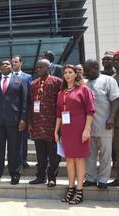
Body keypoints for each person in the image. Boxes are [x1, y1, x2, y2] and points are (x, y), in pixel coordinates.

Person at [54, 65, 95, 204]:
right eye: (65, 72)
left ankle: (80, 191)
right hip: (66, 129)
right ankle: (70, 188)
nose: (67, 75)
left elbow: (90, 111)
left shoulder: (84, 89)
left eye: (70, 72)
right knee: (69, 159)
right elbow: (59, 113)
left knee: (79, 159)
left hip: (80, 127)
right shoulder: (61, 92)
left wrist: (87, 129)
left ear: (76, 74)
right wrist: (56, 130)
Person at [0, 59, 27, 185]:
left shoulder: (20, 81)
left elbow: (24, 102)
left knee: (14, 150)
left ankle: (15, 175)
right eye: (2, 64)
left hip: (14, 122)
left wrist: (23, 119)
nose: (4, 65)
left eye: (7, 64)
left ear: (12, 66)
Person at [82, 59, 119, 190]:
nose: (85, 73)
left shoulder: (109, 81)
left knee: (105, 154)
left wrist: (111, 118)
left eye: (87, 70)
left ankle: (103, 180)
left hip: (105, 124)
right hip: (88, 127)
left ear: (96, 68)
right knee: (89, 154)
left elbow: (115, 100)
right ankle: (91, 178)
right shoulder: (85, 83)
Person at [28, 59, 62, 187]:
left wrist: (60, 126)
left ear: (48, 68)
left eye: (41, 67)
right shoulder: (33, 84)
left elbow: (61, 104)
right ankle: (40, 177)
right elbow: (31, 104)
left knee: (53, 155)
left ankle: (52, 177)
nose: (38, 69)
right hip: (37, 125)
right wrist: (30, 123)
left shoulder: (57, 82)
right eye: (37, 67)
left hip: (52, 125)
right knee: (40, 155)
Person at [12, 55, 32, 168]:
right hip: (10, 114)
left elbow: (29, 97)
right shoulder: (7, 77)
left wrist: (27, 116)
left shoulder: (27, 77)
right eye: (12, 62)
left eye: (16, 62)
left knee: (23, 139)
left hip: (23, 113)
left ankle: (23, 159)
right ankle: (13, 159)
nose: (14, 64)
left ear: (21, 63)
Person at [109, 51, 119, 186]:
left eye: (118, 60)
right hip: (116, 122)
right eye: (115, 60)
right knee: (117, 150)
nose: (116, 62)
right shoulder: (112, 78)